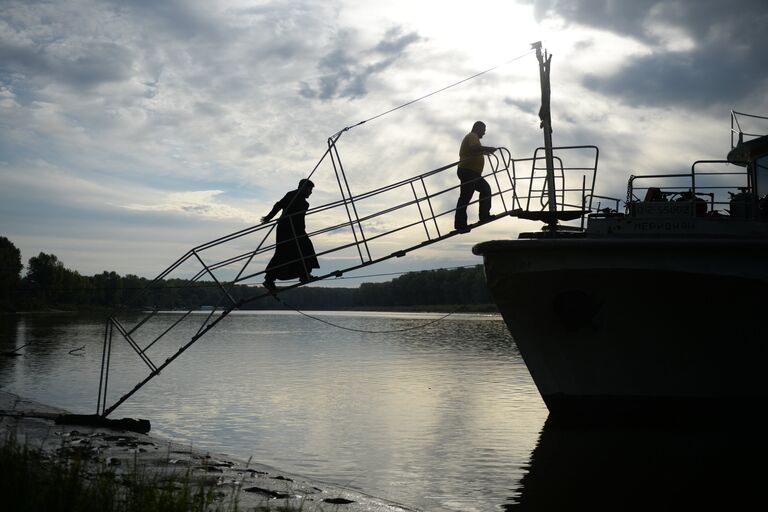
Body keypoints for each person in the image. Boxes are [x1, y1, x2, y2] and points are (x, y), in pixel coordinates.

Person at [261, 179, 319, 291]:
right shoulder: (292, 195)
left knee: (303, 250)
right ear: (303, 188)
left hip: (297, 230)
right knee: (283, 252)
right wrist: (268, 217)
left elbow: (281, 206)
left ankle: (304, 274)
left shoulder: (303, 201)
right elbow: (278, 205)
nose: (310, 192)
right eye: (309, 189)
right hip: (287, 229)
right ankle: (269, 279)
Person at [454, 121, 498, 231]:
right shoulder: (472, 136)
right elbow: (474, 147)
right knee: (466, 197)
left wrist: (483, 152)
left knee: (484, 190)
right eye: (483, 130)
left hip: (472, 173)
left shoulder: (473, 137)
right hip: (468, 172)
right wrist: (488, 148)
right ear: (477, 128)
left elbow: (473, 151)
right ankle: (461, 224)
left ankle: (483, 216)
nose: (484, 133)